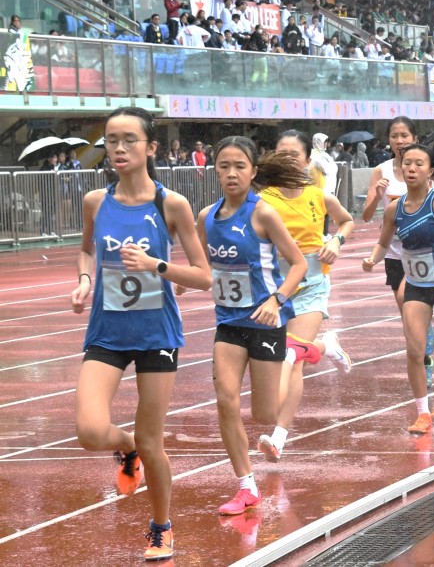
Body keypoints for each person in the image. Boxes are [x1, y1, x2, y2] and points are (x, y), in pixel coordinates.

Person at [70, 107, 212, 561]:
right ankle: (125, 446)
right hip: (107, 331)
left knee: (154, 442)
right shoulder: (96, 201)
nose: (118, 148)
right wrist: (85, 280)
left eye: (129, 139)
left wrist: (157, 266)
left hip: (156, 334)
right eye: (111, 140)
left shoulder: (171, 205)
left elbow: (204, 276)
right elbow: (86, 251)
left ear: (151, 148)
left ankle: (161, 527)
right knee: (91, 431)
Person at [196, 137, 309, 516]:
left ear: (253, 172)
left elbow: (298, 264)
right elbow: (203, 268)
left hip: (264, 321)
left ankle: (294, 353)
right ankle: (246, 486)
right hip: (228, 322)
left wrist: (276, 300)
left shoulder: (262, 213)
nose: (231, 173)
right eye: (224, 165)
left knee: (264, 412)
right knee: (226, 402)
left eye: (239, 166)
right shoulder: (205, 217)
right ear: (215, 169)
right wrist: (179, 278)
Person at [362, 144, 434, 433]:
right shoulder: (394, 208)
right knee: (414, 351)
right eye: (407, 164)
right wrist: (372, 259)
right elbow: (383, 241)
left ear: (431, 171)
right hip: (415, 285)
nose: (411, 168)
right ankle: (423, 413)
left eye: (419, 164)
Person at [257, 130, 355, 462]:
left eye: (294, 154)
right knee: (282, 358)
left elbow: (346, 221)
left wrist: (335, 242)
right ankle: (327, 347)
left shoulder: (319, 196)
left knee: (292, 355)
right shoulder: (263, 200)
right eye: (280, 153)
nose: (287, 160)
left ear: (307, 160)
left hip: (312, 282)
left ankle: (279, 437)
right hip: (274, 286)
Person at [361, 117, 434, 387]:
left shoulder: (423, 165)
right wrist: (377, 195)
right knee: (408, 313)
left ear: (414, 137)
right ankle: (424, 357)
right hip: (396, 253)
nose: (400, 140)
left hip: (427, 251)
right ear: (388, 140)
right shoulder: (381, 171)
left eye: (405, 135)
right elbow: (367, 216)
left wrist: (429, 209)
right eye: (394, 135)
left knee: (409, 297)